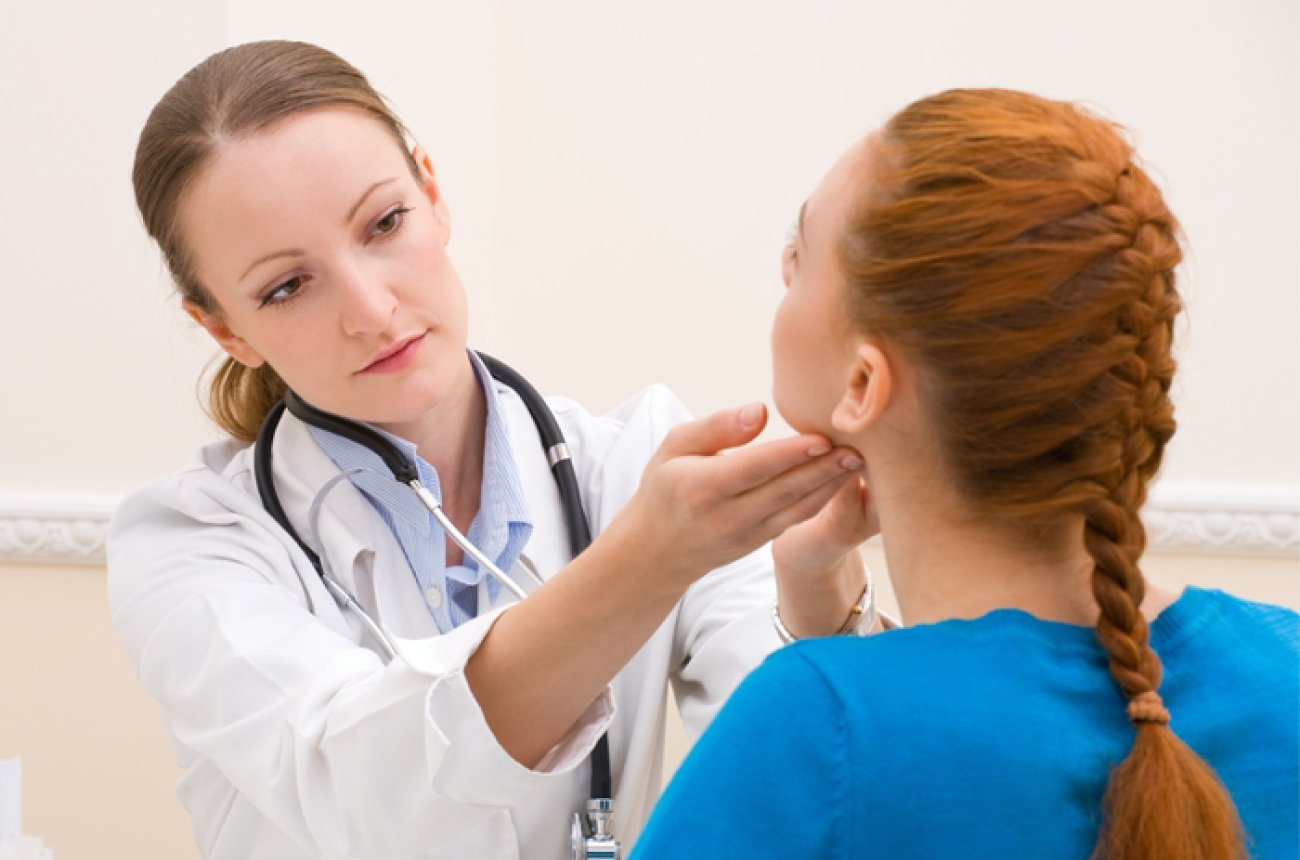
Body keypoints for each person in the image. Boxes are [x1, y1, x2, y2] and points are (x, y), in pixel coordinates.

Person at [108, 40, 874, 860]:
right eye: (287, 287)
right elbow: (366, 792)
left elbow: (814, 781)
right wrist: (642, 562)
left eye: (384, 223)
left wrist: (811, 574)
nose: (370, 308)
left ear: (432, 194)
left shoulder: (637, 465)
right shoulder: (191, 545)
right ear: (225, 328)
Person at [633, 89, 1299, 859]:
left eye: (801, 254)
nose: (785, 275)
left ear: (861, 385)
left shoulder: (813, 728)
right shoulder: (1281, 671)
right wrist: (822, 597)